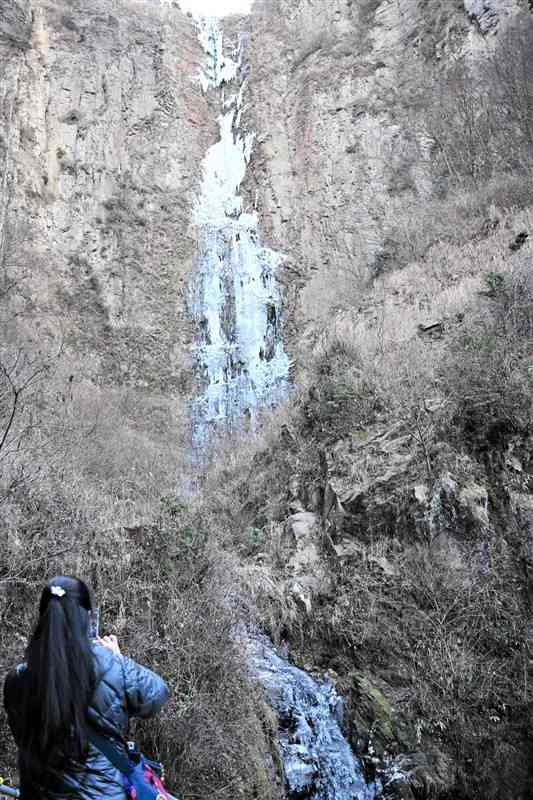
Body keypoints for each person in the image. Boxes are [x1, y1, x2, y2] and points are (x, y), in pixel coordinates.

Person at [3, 576, 170, 799]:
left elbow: (22, 736)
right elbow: (158, 694)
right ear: (85, 618)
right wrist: (118, 658)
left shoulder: (16, 681)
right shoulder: (109, 663)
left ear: (44, 616)